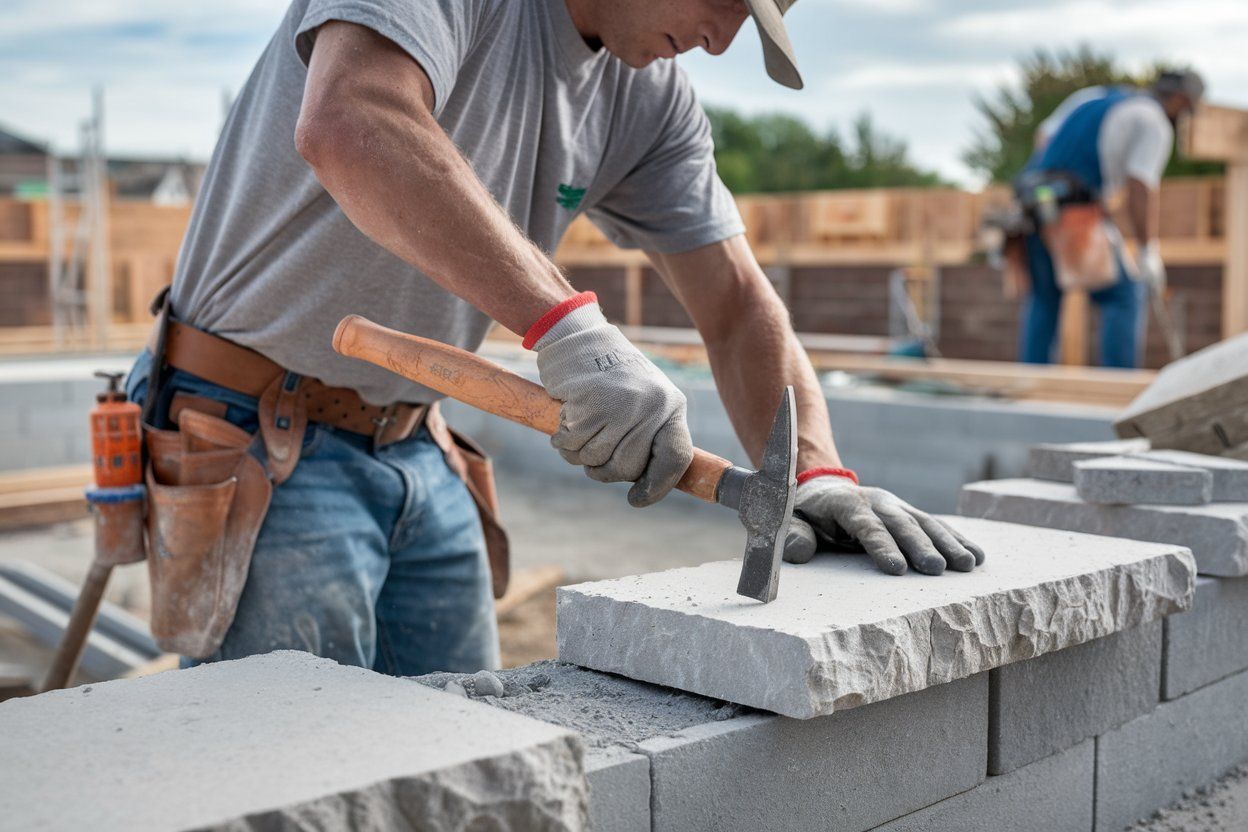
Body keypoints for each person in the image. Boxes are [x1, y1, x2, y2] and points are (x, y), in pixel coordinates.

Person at [128, 0, 984, 677]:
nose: (723, 43)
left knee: (462, 769)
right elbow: (353, 118)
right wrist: (571, 330)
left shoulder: (648, 98)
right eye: (727, 3)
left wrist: (815, 473)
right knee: (299, 786)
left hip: (417, 443)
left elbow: (736, 305)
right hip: (252, 437)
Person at [1015, 70, 1204, 368]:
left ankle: (1029, 380)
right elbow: (1140, 186)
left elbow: (1043, 138)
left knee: (1045, 297)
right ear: (1180, 99)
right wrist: (1147, 250)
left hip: (1034, 204)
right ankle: (1118, 386)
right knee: (1123, 295)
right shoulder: (1153, 122)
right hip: (1073, 210)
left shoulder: (1093, 96)